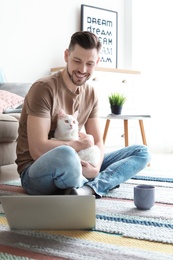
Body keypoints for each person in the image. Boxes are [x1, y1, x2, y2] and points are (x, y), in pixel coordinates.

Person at [16, 31, 151, 197]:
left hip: (78, 162)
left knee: (141, 152)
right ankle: (92, 183)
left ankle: (89, 188)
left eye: (90, 64)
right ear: (66, 55)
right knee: (66, 154)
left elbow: (99, 140)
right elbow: (37, 149)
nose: (83, 69)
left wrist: (94, 169)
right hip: (35, 172)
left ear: (97, 62)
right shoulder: (43, 88)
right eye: (77, 61)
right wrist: (79, 146)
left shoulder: (91, 93)